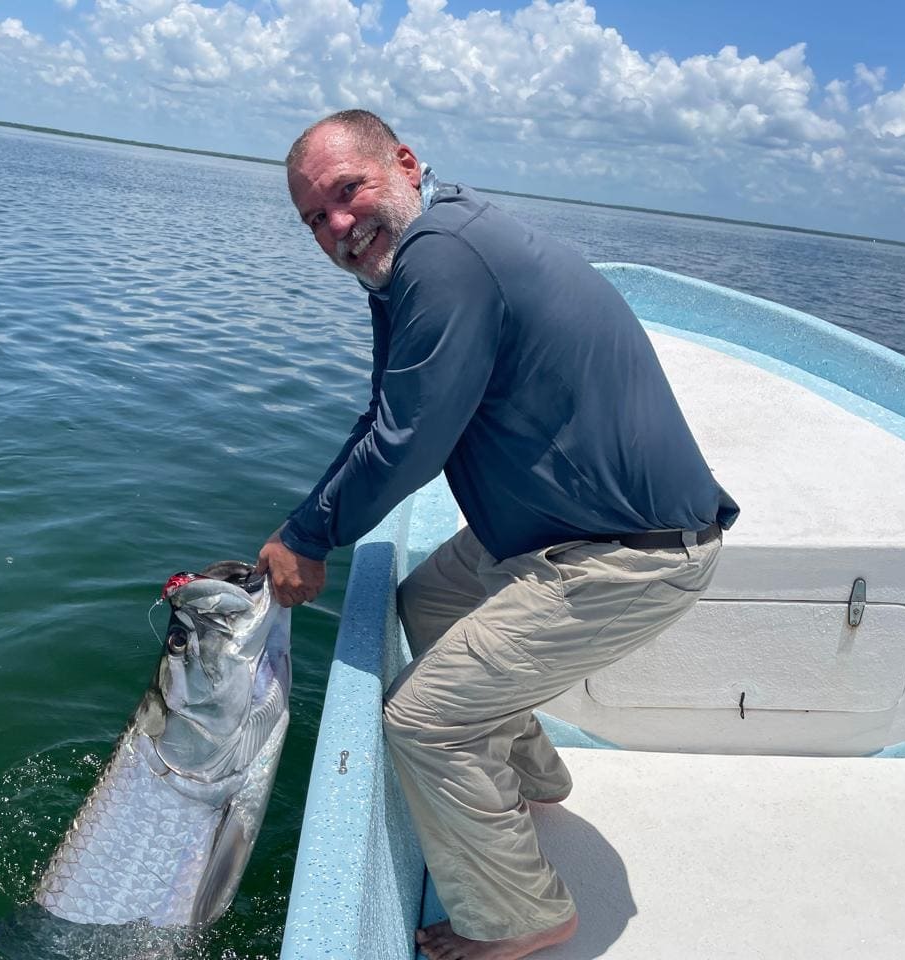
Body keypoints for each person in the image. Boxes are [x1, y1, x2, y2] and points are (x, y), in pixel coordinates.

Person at [254, 110, 739, 960]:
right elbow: (387, 417)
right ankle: (530, 774)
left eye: (347, 190)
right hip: (556, 528)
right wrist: (305, 525)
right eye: (314, 218)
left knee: (423, 722)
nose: (337, 224)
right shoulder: (422, 254)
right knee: (427, 603)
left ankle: (525, 916)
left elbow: (408, 443)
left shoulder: (441, 255)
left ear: (405, 163)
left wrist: (309, 536)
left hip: (629, 556)